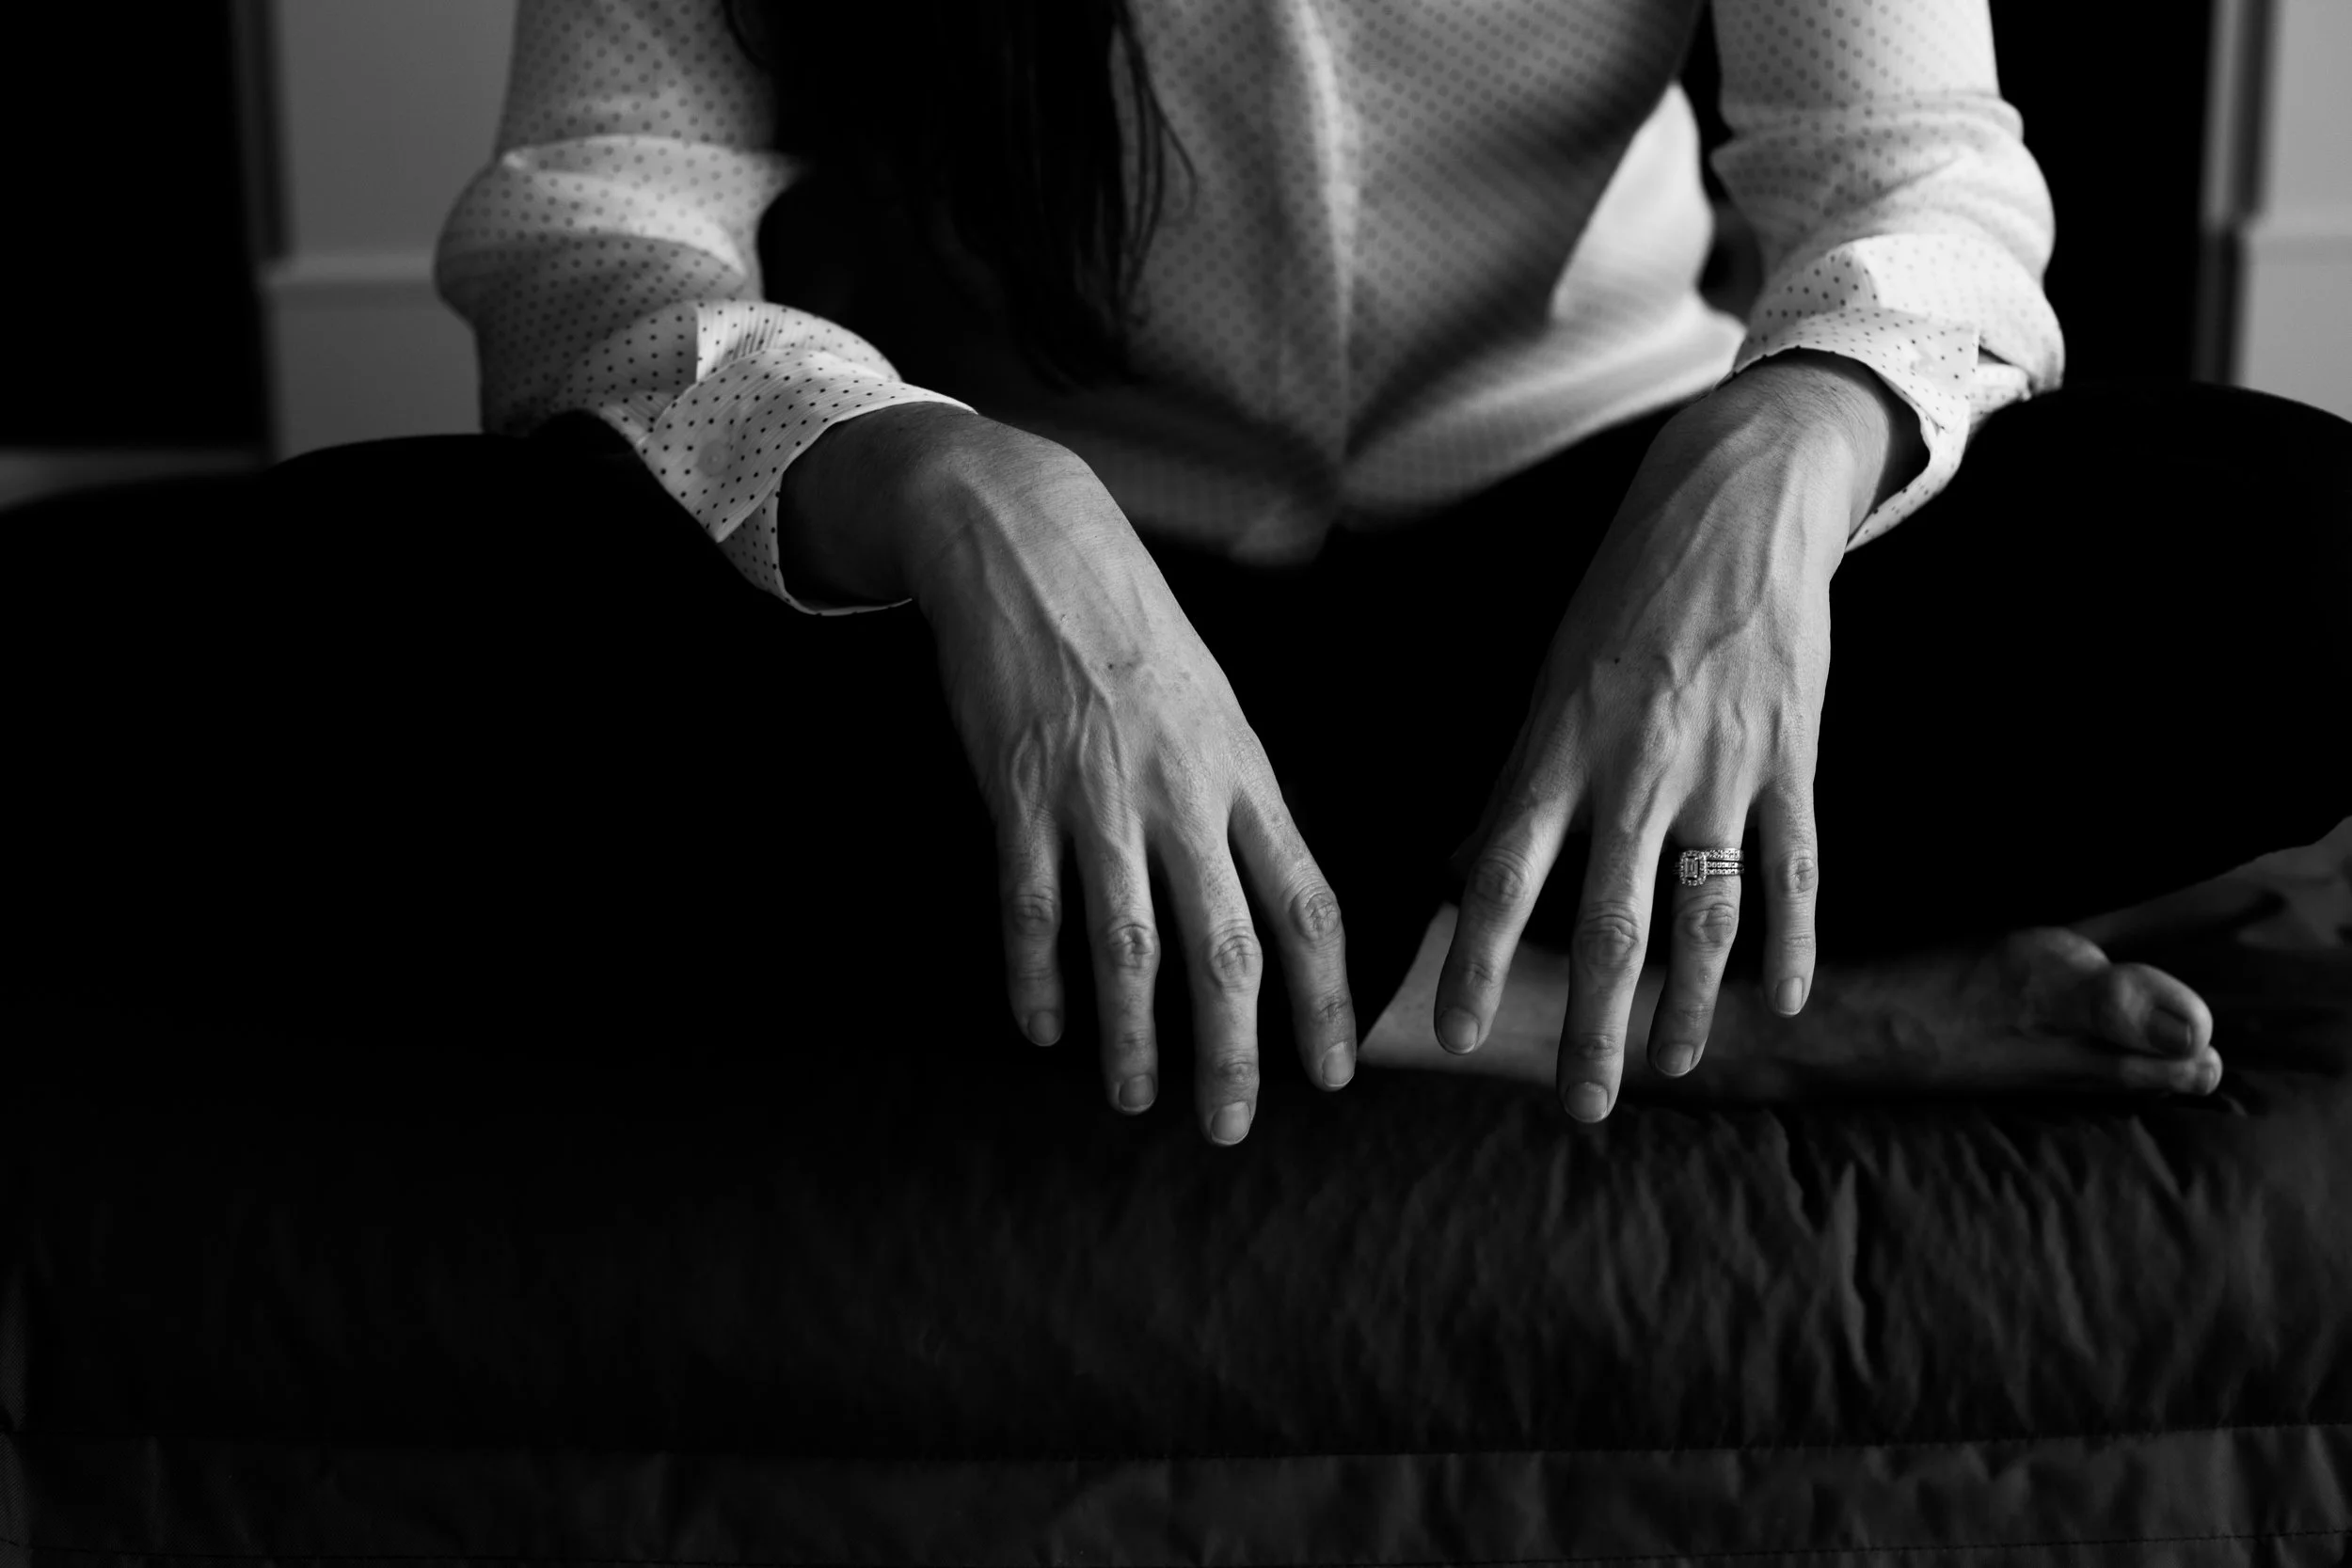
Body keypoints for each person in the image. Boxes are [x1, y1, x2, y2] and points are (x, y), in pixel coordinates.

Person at [14, 0, 2347, 1140]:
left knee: (2303, 556)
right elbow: (592, 222)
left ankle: (1388, 950)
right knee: (116, 662)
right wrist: (941, 481)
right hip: (1010, 659)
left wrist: (1779, 454)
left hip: (1575, 601)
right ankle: (1534, 997)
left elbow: (1910, 173)